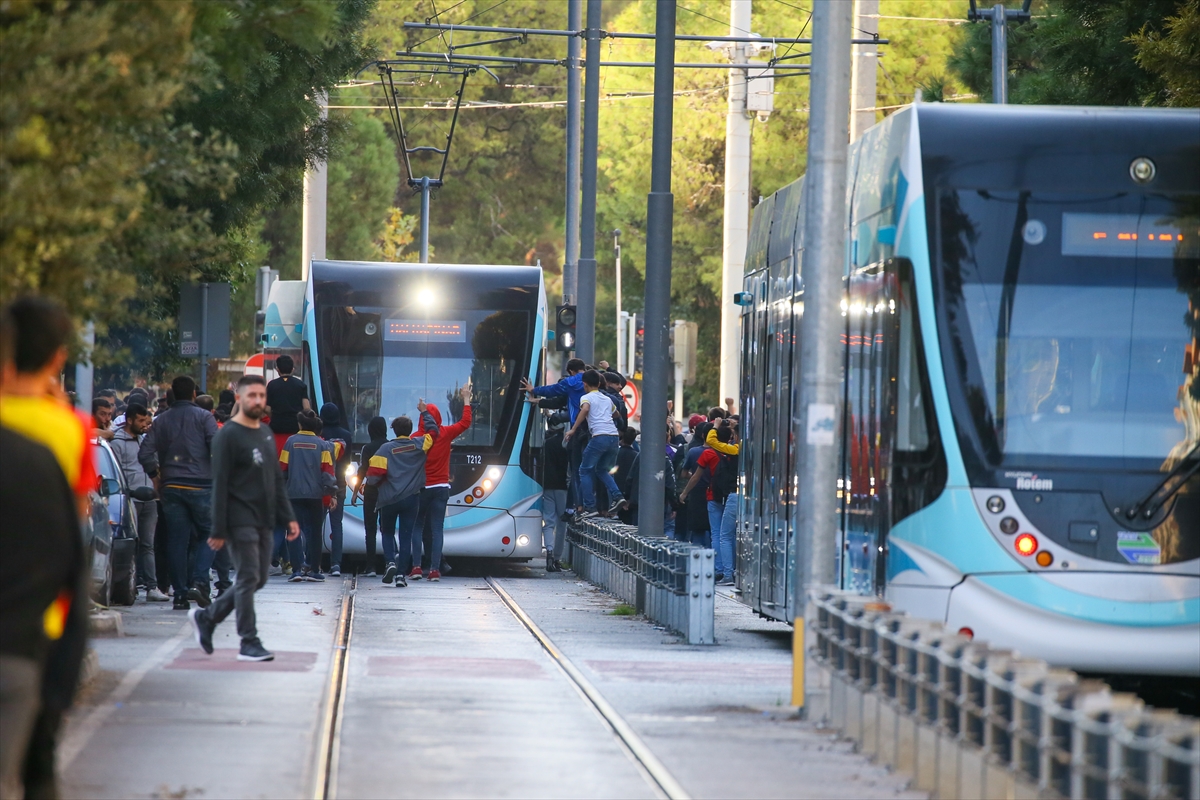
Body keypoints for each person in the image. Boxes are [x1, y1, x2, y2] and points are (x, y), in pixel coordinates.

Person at [0, 298, 91, 800]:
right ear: (58, 360)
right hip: (39, 623)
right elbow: (73, 533)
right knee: (36, 765)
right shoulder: (68, 430)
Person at [190, 375, 300, 663]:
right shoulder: (228, 435)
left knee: (258, 578)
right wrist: (218, 527)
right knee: (249, 576)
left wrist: (288, 517)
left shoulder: (265, 432)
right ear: (239, 398)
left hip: (265, 519)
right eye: (252, 396)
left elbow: (275, 478)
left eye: (262, 396)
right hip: (239, 520)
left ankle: (207, 617)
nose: (258, 401)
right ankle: (248, 641)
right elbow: (220, 482)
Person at [139, 375, 220, 610]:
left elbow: (145, 453)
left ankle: (180, 595)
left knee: (177, 540)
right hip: (201, 485)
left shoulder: (161, 421)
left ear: (170, 394)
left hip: (171, 486)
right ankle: (199, 581)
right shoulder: (205, 417)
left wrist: (156, 477)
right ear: (194, 394)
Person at [410, 384, 473, 581]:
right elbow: (465, 422)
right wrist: (466, 399)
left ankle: (417, 567)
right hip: (441, 488)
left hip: (421, 488)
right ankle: (435, 569)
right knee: (437, 529)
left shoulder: (416, 438)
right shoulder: (445, 434)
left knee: (417, 526)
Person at [366, 414, 436, 587]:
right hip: (411, 498)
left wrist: (381, 483)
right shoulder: (419, 444)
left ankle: (390, 561)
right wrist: (425, 413)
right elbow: (434, 432)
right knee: (406, 536)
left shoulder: (385, 449)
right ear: (410, 430)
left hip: (388, 499)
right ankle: (401, 576)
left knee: (387, 532)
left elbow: (373, 476)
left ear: (394, 431)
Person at [110, 402, 169, 601]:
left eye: (147, 420)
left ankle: (152, 587)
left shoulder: (146, 440)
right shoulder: (117, 443)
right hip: (130, 498)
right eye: (141, 420)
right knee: (131, 544)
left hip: (150, 499)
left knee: (148, 544)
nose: (145, 424)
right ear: (129, 420)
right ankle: (130, 584)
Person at [678, 421, 740, 579]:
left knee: (717, 534)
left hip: (713, 495)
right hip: (730, 495)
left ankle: (720, 569)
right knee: (730, 535)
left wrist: (684, 493)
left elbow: (695, 477)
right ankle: (731, 568)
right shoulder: (734, 451)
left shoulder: (708, 453)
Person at [279, 409, 335, 582]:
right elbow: (328, 471)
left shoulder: (290, 442)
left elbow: (282, 468)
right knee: (315, 532)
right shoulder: (322, 445)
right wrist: (331, 491)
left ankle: (296, 570)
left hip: (293, 493)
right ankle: (314, 569)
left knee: (293, 531)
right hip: (315, 495)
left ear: (300, 424)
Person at [563, 370, 626, 517]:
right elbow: (616, 414)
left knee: (584, 470)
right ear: (599, 383)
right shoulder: (606, 399)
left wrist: (573, 429)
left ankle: (589, 507)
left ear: (584, 384)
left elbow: (585, 409)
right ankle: (617, 496)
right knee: (602, 470)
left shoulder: (586, 398)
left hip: (599, 437)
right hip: (613, 437)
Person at [352, 416, 389, 576]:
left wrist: (354, 493)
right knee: (387, 528)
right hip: (388, 491)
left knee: (371, 529)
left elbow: (362, 472)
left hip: (371, 491)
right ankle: (390, 562)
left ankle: (371, 567)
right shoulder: (390, 446)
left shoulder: (367, 448)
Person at [319, 403, 353, 577]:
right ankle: (336, 564)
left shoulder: (319, 434)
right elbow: (347, 462)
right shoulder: (346, 435)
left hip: (320, 484)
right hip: (339, 484)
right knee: (336, 524)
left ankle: (314, 562)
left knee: (316, 525)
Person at [540, 411, 571, 572]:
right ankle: (557, 557)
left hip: (547, 486)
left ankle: (549, 551)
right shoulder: (567, 444)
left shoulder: (546, 443)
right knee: (562, 522)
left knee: (548, 521)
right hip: (563, 488)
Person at [266, 354, 311, 454]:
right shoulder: (301, 385)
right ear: (293, 369)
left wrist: (274, 416)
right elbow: (307, 408)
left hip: (276, 427)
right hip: (295, 428)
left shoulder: (272, 385)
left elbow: (267, 409)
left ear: (277, 369)